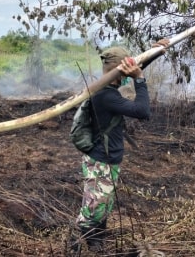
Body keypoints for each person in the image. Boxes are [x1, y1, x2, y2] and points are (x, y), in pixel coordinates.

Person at [71, 39, 170, 253]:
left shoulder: (109, 88)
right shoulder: (105, 96)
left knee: (103, 206)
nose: (132, 71)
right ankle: (75, 247)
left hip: (109, 159)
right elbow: (143, 112)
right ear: (120, 69)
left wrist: (157, 51)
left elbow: (136, 67)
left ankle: (96, 245)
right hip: (100, 162)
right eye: (128, 68)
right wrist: (140, 79)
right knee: (92, 209)